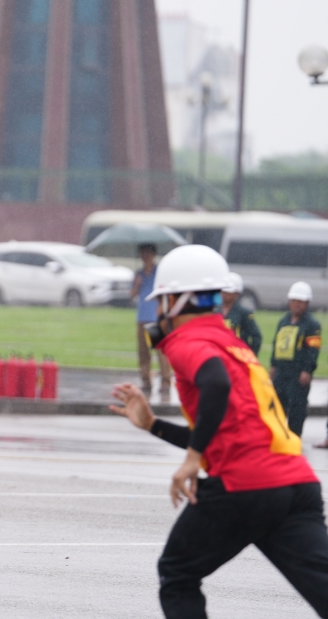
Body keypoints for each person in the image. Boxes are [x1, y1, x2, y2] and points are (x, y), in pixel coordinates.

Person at [110, 244, 328, 618]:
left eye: (163, 300)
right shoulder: (232, 343)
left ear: (180, 300)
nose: (159, 311)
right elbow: (224, 431)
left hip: (247, 487)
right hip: (296, 486)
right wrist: (152, 425)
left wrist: (192, 459)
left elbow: (214, 384)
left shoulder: (187, 341)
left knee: (177, 572)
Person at [270, 281, 321, 438]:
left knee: (297, 406)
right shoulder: (284, 320)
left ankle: (294, 436)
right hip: (282, 370)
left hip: (298, 372)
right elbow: (276, 342)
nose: (296, 305)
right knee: (278, 404)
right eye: (294, 301)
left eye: (300, 302)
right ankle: (278, 435)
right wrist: (273, 365)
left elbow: (313, 349)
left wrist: (307, 369)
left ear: (306, 303)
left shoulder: (312, 325)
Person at [131, 243, 172, 402]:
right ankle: (146, 380)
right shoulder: (138, 274)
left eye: (148, 253)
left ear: (153, 255)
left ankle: (165, 381)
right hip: (142, 316)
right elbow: (132, 294)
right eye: (142, 254)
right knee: (143, 352)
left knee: (160, 351)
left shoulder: (159, 273)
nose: (145, 257)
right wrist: (137, 284)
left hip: (155, 317)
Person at [221, 272, 261, 354]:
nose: (224, 294)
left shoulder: (244, 313)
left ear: (236, 293)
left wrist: (250, 355)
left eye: (228, 292)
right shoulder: (215, 311)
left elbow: (256, 337)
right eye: (223, 291)